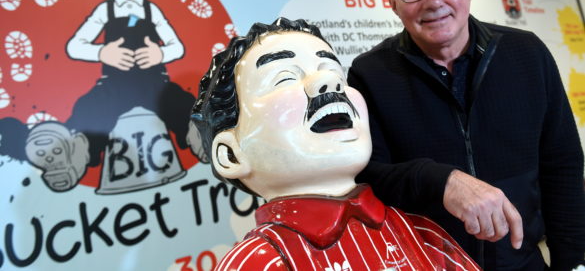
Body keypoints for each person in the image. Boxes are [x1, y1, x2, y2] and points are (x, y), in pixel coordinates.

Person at [348, 0, 585, 270]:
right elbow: (367, 177)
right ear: (394, 4)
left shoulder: (527, 54)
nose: (433, 1)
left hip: (525, 262)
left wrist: (573, 262)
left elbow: (562, 164)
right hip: (425, 264)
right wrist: (442, 180)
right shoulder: (370, 73)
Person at [191, 17, 481, 270]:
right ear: (230, 154)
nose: (328, 82)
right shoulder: (259, 261)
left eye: (334, 70)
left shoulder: (421, 235)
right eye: (284, 78)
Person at [25, 0, 195, 193]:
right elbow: (75, 46)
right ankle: (74, 156)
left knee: (181, 103)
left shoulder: (152, 11)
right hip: (115, 84)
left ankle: (197, 139)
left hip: (154, 83)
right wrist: (103, 52)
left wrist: (160, 54)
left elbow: (177, 46)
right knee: (88, 108)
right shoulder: (105, 11)